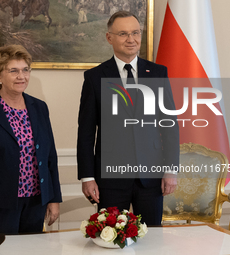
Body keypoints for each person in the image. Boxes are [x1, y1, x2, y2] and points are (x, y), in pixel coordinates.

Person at [77, 11, 179, 225]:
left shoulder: (158, 73)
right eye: (123, 33)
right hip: (110, 180)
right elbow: (86, 133)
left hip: (151, 178)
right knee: (110, 240)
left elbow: (169, 126)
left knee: (152, 240)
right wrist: (87, 177)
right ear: (109, 38)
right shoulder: (95, 77)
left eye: (135, 33)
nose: (131, 39)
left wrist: (170, 169)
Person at [0, 45, 62, 246]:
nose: (21, 76)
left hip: (35, 202)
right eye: (13, 71)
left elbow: (50, 157)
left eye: (25, 70)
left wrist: (53, 199)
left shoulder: (39, 107)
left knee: (32, 251)